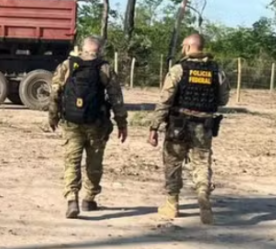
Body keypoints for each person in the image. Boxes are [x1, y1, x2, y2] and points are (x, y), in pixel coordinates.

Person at [148, 33, 230, 225]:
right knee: (202, 163)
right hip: (204, 125)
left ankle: (172, 204)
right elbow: (223, 99)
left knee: (173, 162)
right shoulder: (216, 71)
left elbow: (164, 100)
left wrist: (154, 126)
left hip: (178, 124)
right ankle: (203, 197)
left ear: (186, 48)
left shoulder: (178, 70)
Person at [48, 36, 128, 219]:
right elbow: (116, 97)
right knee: (94, 162)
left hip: (71, 123)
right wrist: (122, 123)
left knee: (72, 161)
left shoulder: (67, 65)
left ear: (81, 49)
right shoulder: (105, 68)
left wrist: (53, 116)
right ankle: (89, 199)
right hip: (97, 124)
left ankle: (71, 199)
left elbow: (55, 93)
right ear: (99, 51)